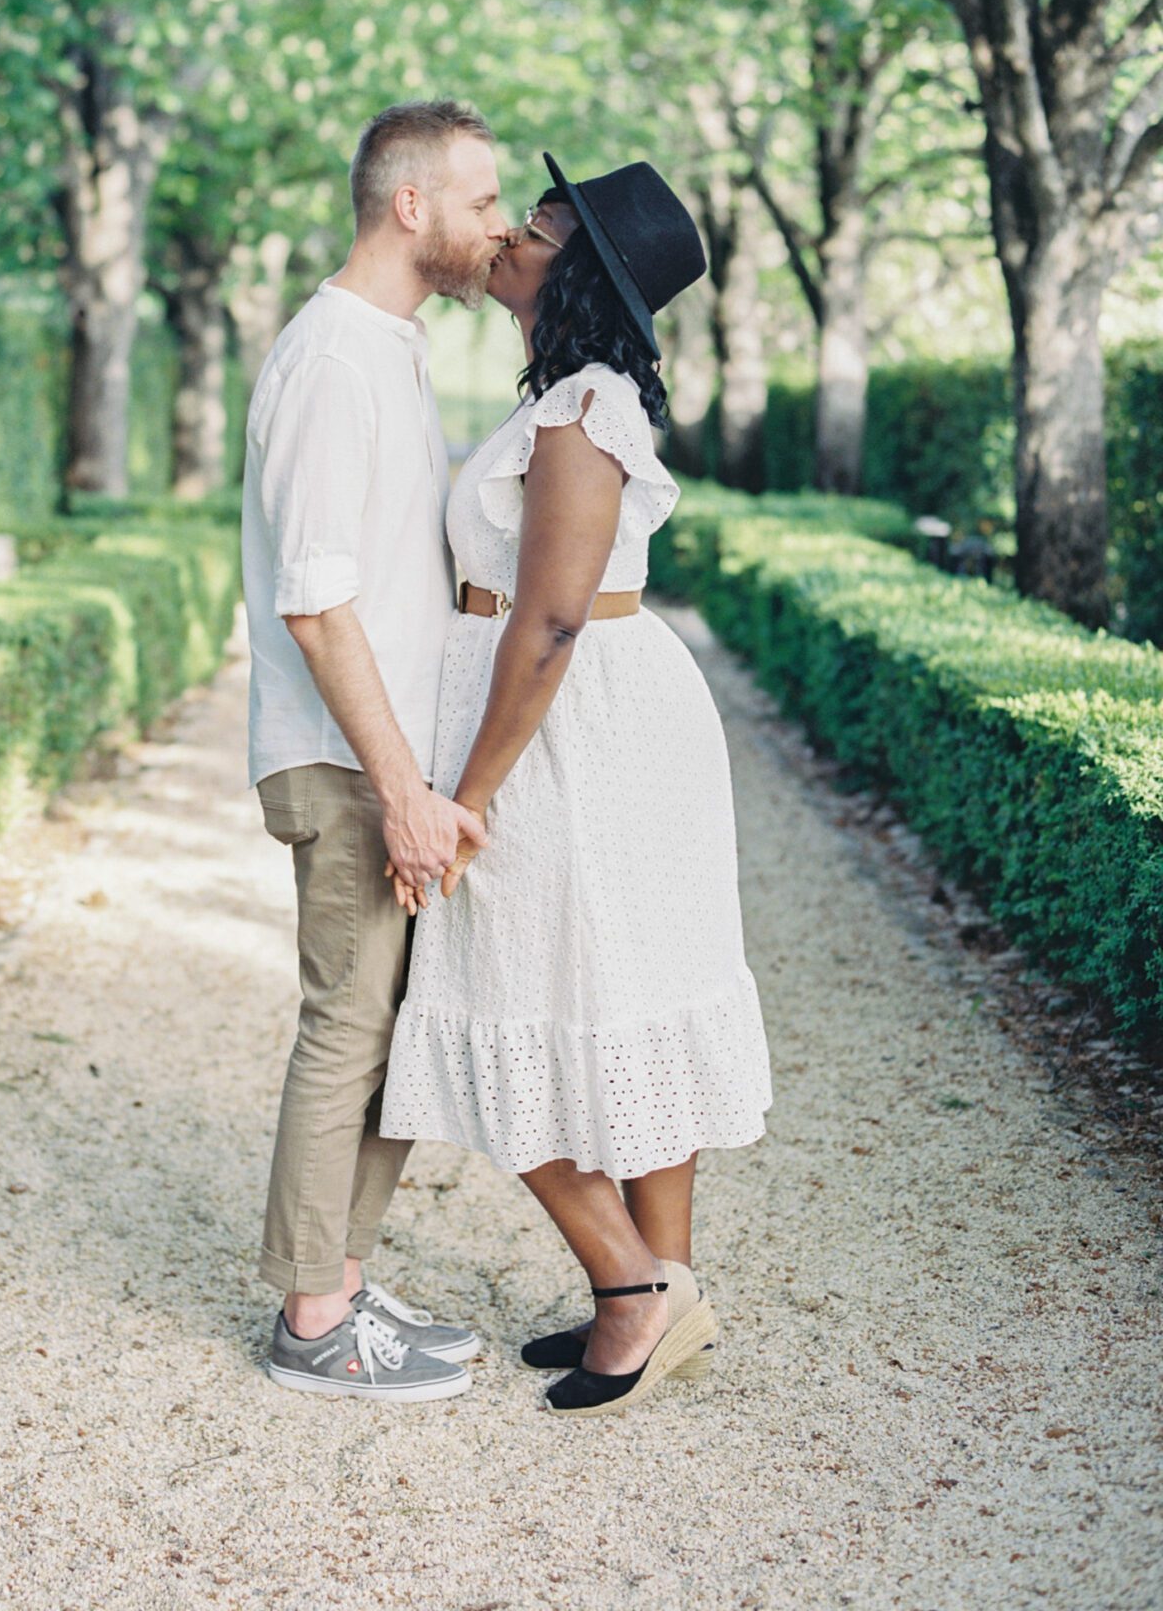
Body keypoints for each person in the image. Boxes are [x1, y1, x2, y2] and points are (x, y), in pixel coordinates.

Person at [380, 152, 774, 1416]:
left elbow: (546, 620)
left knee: (500, 988)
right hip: (597, 717)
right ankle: (665, 1289)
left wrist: (465, 796)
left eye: (534, 225)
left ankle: (630, 1288)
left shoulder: (584, 408)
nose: (506, 236)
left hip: (569, 731)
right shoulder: (574, 393)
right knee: (617, 996)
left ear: (579, 269)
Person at [241, 99, 509, 1401]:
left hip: (389, 758)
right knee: (349, 1024)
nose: (496, 224)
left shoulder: (388, 350)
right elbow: (315, 597)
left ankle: (340, 1279)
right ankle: (310, 1324)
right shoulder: (331, 362)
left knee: (393, 1025)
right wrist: (402, 788)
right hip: (346, 760)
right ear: (412, 206)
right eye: (480, 198)